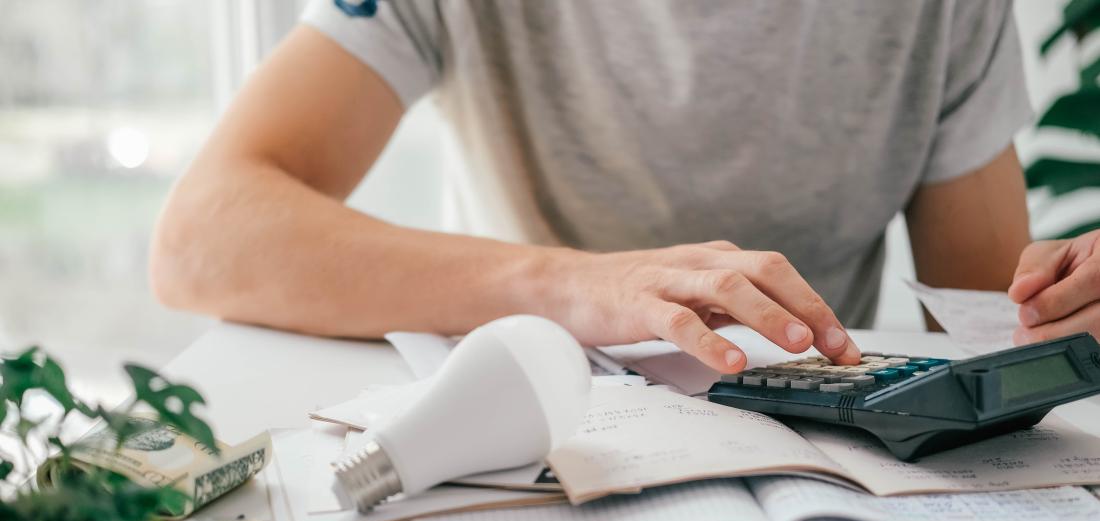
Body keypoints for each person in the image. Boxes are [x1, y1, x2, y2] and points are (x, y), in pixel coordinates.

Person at [149, 1, 1100, 374]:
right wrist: (580, 286)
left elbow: (992, 332)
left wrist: (1066, 320)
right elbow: (202, 237)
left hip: (828, 475)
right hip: (540, 435)